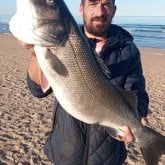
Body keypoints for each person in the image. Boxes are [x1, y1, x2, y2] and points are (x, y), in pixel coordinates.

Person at [21, 0, 149, 164]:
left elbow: (138, 93)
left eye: (106, 5)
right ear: (81, 8)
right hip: (64, 152)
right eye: (93, 3)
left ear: (113, 10)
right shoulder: (62, 42)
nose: (100, 11)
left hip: (108, 156)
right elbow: (38, 90)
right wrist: (36, 55)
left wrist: (136, 120)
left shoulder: (128, 50)